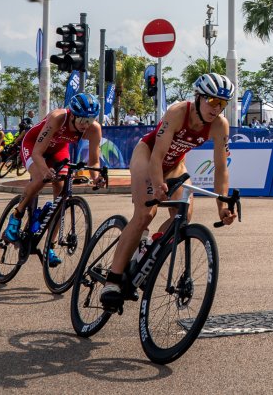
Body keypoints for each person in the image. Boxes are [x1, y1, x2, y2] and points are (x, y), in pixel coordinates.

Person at [99, 73, 236, 311]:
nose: (217, 109)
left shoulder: (219, 125)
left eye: (223, 104)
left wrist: (222, 207)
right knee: (145, 215)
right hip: (148, 156)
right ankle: (112, 280)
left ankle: (150, 248)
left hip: (175, 165)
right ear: (198, 97)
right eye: (213, 102)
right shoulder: (177, 113)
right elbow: (157, 156)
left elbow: (221, 168)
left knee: (183, 218)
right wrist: (158, 183)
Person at [2, 93, 105, 257]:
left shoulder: (94, 129)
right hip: (33, 145)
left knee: (61, 195)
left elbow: (93, 162)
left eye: (90, 120)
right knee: (40, 179)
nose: (86, 125)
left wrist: (96, 177)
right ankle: (16, 216)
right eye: (82, 120)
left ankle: (50, 244)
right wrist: (45, 170)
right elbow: (37, 153)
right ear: (72, 115)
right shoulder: (58, 118)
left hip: (58, 149)